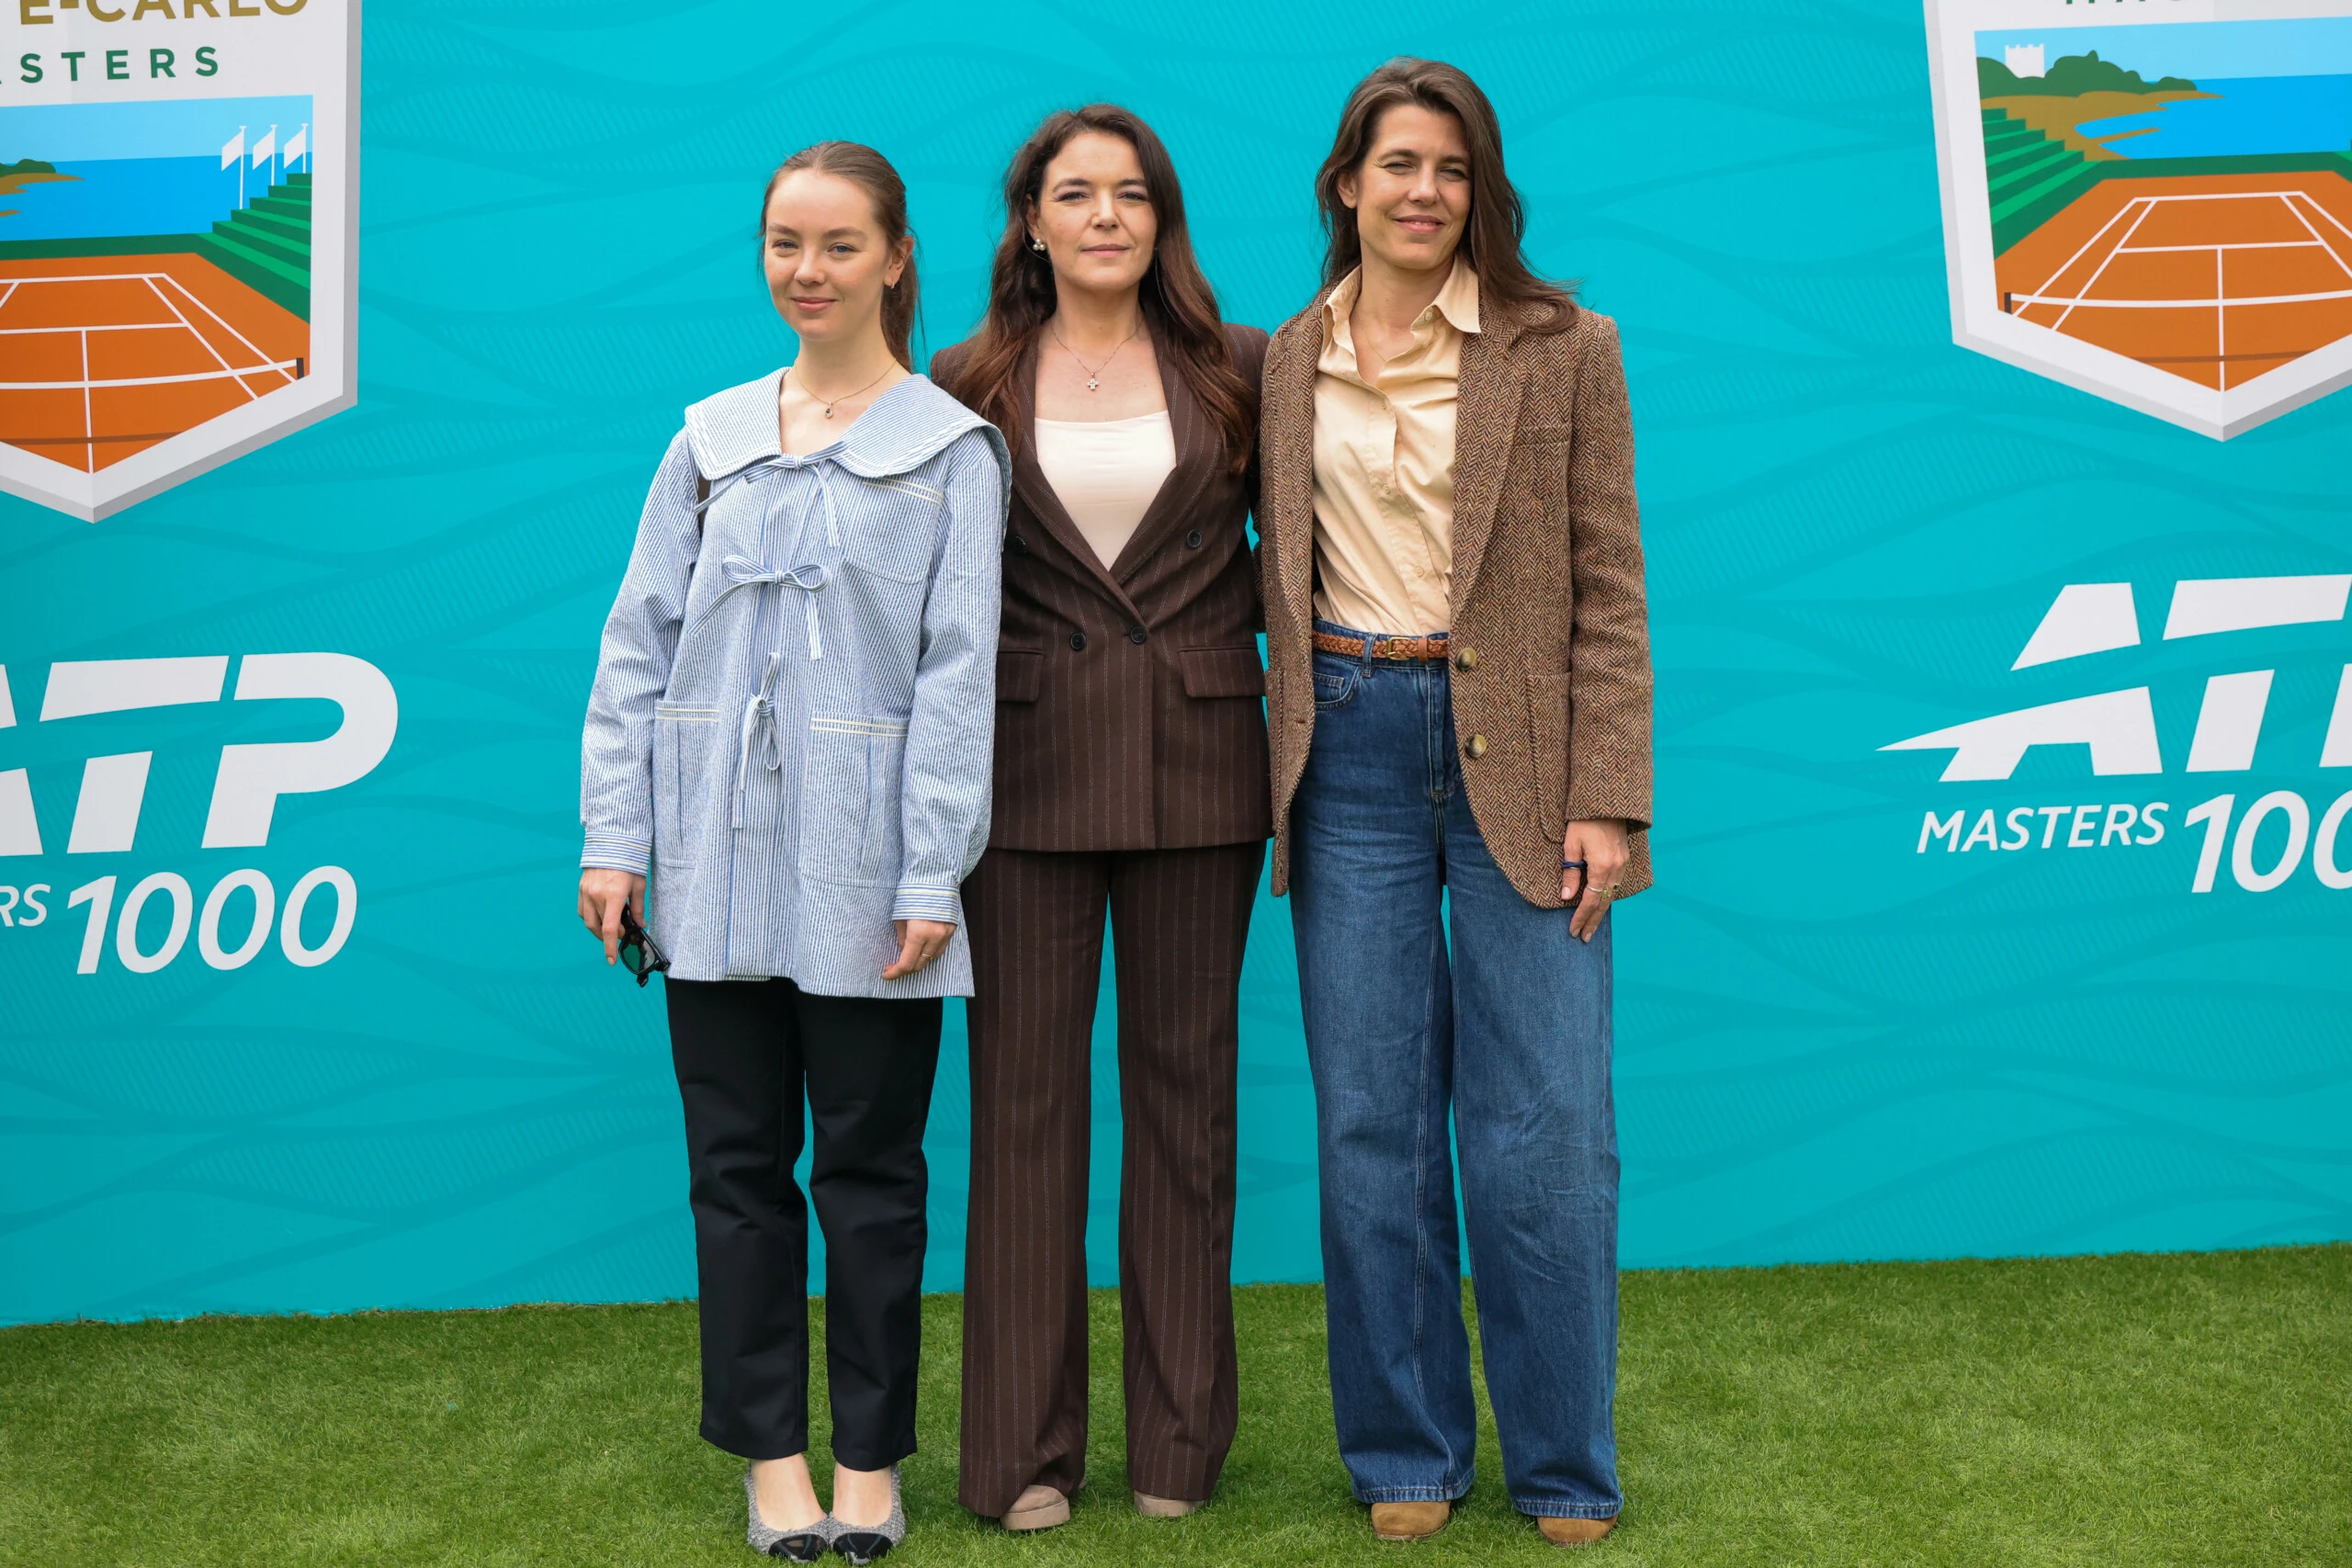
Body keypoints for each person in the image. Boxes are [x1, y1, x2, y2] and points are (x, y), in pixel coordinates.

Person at [577, 141, 1009, 1566]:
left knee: (873, 1175)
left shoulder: (951, 450)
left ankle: (871, 1460)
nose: (806, 272)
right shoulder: (704, 438)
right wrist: (615, 839)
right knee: (736, 1168)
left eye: (836, 245)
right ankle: (773, 1459)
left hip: (873, 870)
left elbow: (959, 673)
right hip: (707, 860)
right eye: (783, 244)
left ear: (895, 257)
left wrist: (930, 870)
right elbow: (637, 646)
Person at [1256, 59, 1653, 1546]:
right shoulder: (1286, 359)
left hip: (1529, 759)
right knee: (1371, 1121)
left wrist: (1611, 797)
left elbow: (1609, 587)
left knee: (1544, 1127)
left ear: (1482, 191)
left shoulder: (1565, 347)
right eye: (1397, 163)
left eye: (1453, 167)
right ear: (1344, 184)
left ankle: (1564, 1464)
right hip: (1346, 751)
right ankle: (1406, 1453)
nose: (1424, 190)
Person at [930, 105, 1270, 1532]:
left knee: (1186, 1116)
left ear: (1162, 217)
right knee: (1022, 1118)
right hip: (1025, 776)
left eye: (1132, 195)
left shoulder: (1245, 367)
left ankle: (1179, 1453)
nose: (1106, 218)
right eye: (1077, 195)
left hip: (1201, 771)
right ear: (1032, 220)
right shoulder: (962, 379)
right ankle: (1022, 1456)